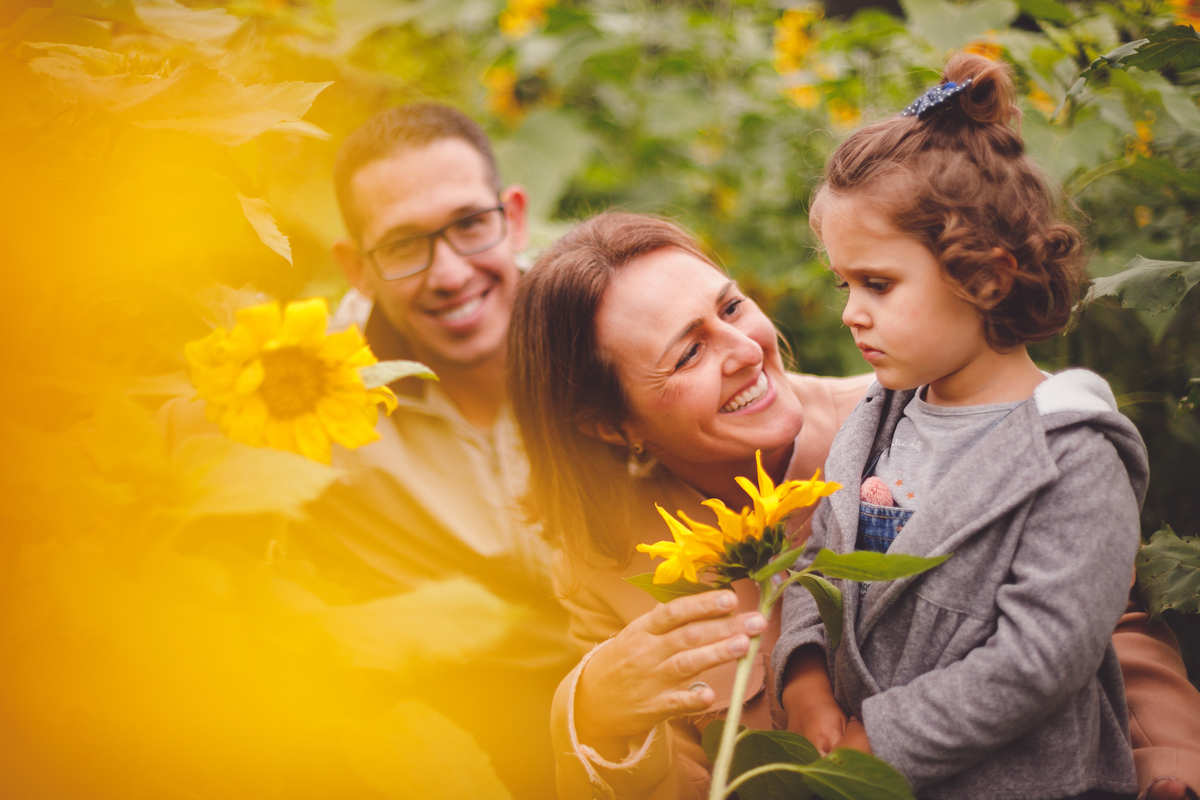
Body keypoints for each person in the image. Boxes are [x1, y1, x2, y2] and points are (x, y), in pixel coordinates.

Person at [506, 210, 1200, 800]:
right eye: (688, 353)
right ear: (611, 423)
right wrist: (595, 721)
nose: (744, 348)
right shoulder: (608, 567)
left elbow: (1098, 618)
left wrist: (1167, 764)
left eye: (730, 307)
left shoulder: (920, 418)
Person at [771, 52, 1155, 799]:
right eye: (844, 282)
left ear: (986, 276)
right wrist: (807, 679)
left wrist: (882, 736)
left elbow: (1042, 655)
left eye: (878, 284)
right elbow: (818, 565)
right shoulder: (875, 421)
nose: (852, 311)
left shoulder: (1073, 452)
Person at [318, 102, 574, 800]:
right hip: (448, 738)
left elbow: (766, 394)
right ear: (357, 268)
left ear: (513, 218)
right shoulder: (313, 391)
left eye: (468, 225)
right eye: (403, 245)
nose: (450, 273)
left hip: (645, 706)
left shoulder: (601, 332)